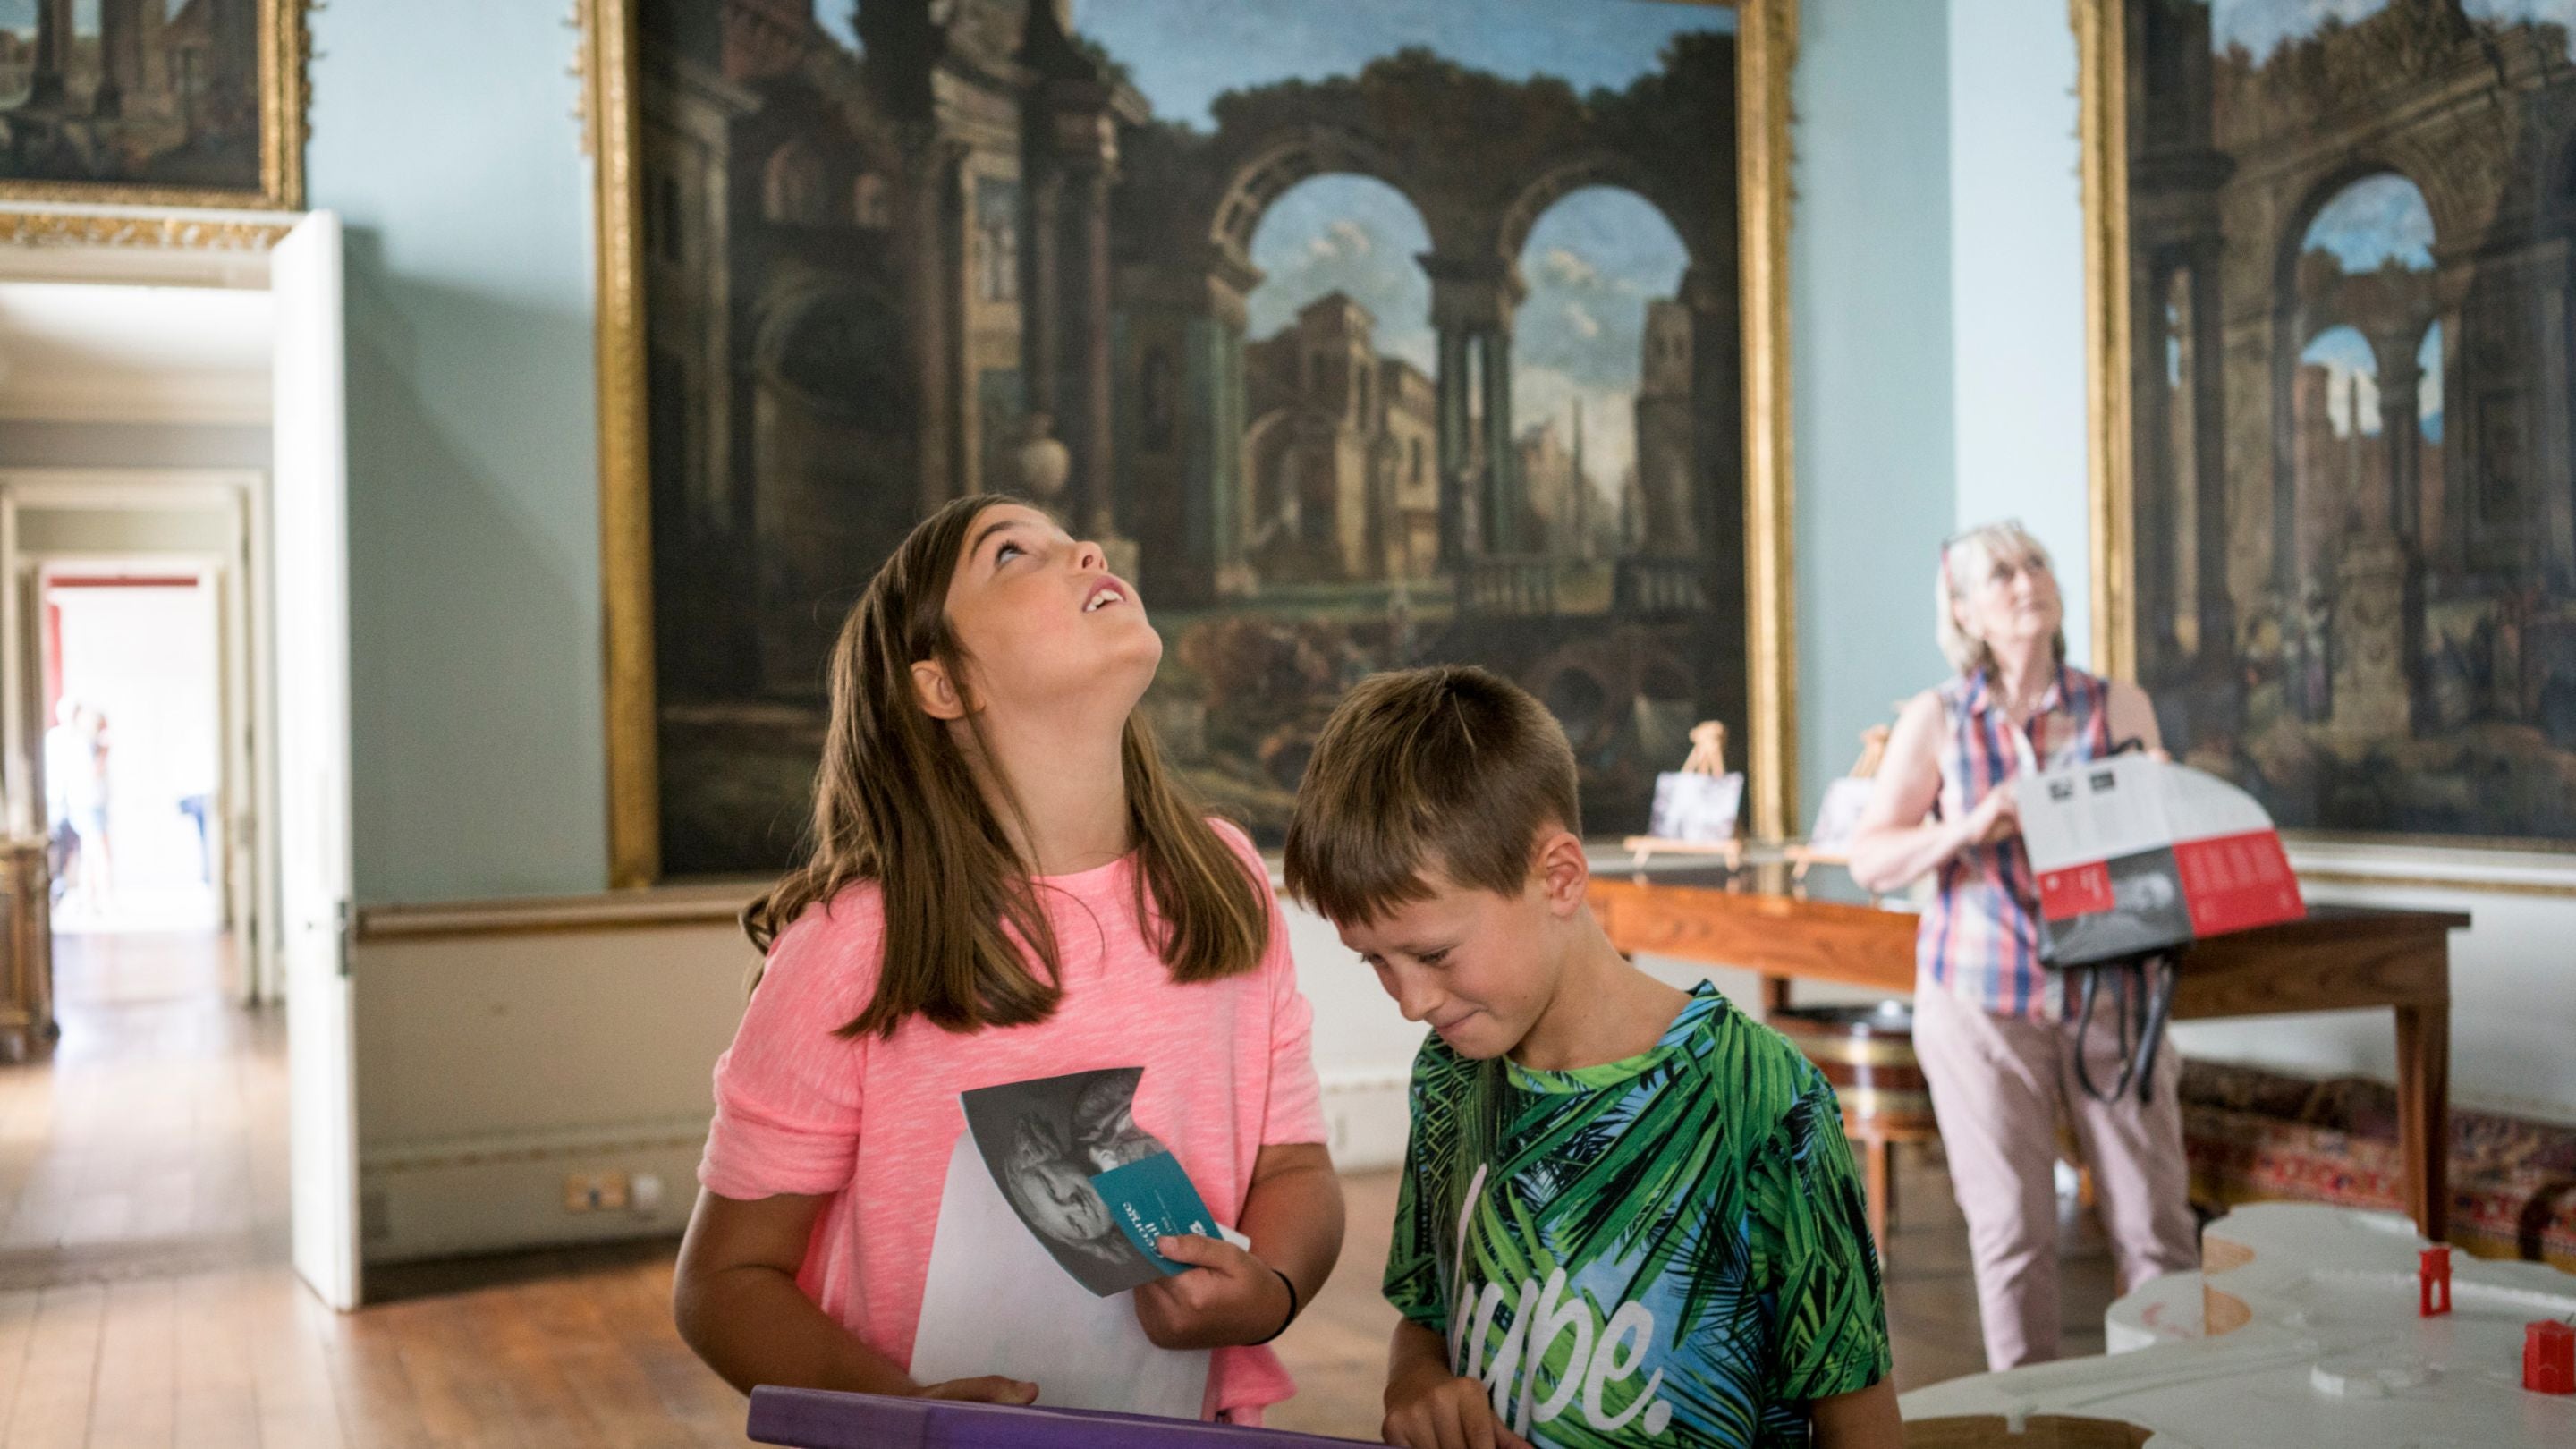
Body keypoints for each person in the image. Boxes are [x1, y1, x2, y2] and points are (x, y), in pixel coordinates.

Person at [673, 496, 1344, 1422]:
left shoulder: (1226, 877)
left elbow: (1296, 1172)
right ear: (944, 683)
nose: (1087, 552)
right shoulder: (854, 941)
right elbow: (724, 1281)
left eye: (1076, 541)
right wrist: (913, 1410)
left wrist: (1269, 1293)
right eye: (1013, 553)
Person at [1284, 665, 1901, 1449]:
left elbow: (1860, 1418)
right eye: (1374, 962)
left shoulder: (1764, 1096)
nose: (1411, 1001)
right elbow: (1428, 1319)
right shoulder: (1447, 1076)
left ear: (1560, 878)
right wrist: (1417, 1385)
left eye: (1433, 953)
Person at [1844, 521, 2198, 1373]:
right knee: (2014, 1235)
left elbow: (2167, 853)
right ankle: (2031, 1426)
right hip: (1979, 1006)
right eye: (2000, 572)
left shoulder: (2118, 704)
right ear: (1964, 608)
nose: (2026, 579)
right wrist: (1969, 826)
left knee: (2158, 1232)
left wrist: (2160, 803)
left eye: (2037, 562)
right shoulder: (1937, 718)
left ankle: (2177, 1409)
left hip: (2113, 1001)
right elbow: (1870, 857)